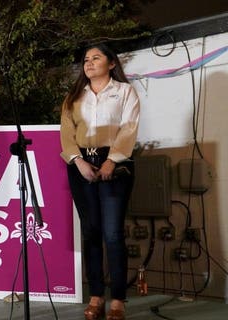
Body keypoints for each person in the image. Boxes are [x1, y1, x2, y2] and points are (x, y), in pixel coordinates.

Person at [60, 43, 140, 320]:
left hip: (115, 165)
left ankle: (118, 300)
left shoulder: (124, 92)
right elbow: (67, 133)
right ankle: (96, 295)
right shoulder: (74, 96)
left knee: (113, 233)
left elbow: (129, 127)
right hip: (80, 165)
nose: (89, 63)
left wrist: (112, 160)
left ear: (112, 63)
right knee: (91, 232)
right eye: (85, 60)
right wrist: (78, 161)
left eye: (96, 58)